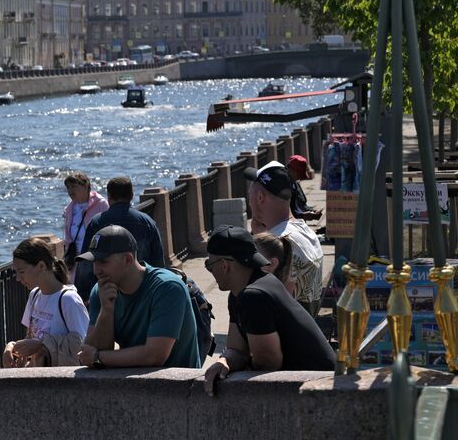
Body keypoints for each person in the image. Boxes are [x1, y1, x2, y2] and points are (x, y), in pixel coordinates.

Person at [201, 227, 335, 393]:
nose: (210, 271)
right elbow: (237, 349)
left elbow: (268, 362)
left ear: (224, 265)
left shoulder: (255, 296)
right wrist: (225, 361)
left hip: (319, 391)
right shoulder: (241, 293)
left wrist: (238, 364)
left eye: (209, 265)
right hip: (307, 385)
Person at [76, 226, 201, 369]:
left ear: (128, 260)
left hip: (179, 387)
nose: (96, 270)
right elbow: (90, 353)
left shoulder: (167, 288)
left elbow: (155, 355)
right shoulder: (101, 290)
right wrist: (106, 312)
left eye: (103, 262)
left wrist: (98, 357)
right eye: (94, 262)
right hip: (134, 385)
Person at [245, 162, 324, 315]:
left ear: (260, 198)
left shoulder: (278, 245)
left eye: (250, 196)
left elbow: (267, 306)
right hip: (306, 331)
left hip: (283, 337)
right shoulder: (306, 232)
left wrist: (261, 242)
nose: (249, 201)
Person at [4, 236, 90, 367]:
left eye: (21, 271)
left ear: (41, 266)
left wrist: (42, 345)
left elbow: (82, 344)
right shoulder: (34, 295)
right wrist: (12, 347)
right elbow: (31, 337)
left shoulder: (69, 300)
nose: (18, 278)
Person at [84, 176, 166, 268]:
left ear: (109, 196)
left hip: (106, 281)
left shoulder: (96, 222)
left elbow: (86, 262)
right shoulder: (148, 222)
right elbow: (158, 262)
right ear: (131, 195)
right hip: (141, 281)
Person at [61, 172, 109, 301]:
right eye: (68, 187)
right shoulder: (69, 209)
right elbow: (68, 236)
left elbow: (108, 231)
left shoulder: (101, 204)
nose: (70, 191)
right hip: (76, 260)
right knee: (79, 295)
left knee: (94, 295)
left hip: (94, 258)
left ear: (85, 186)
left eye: (73, 186)